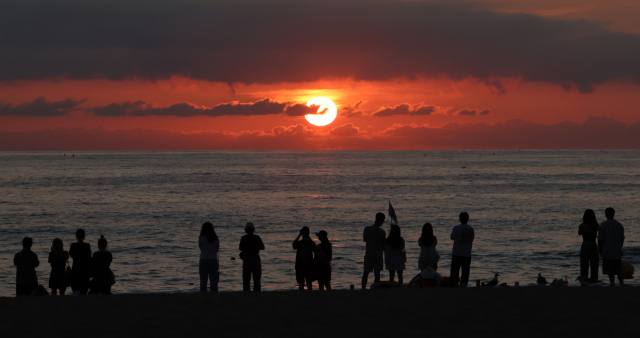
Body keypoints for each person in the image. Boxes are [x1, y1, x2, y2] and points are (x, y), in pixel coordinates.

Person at [598, 207, 625, 286]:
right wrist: (620, 247)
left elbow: (600, 240)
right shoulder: (619, 225)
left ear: (606, 215)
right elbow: (622, 239)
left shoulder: (603, 225)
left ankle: (612, 283)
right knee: (618, 269)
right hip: (617, 250)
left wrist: (600, 249)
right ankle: (621, 283)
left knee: (610, 270)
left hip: (607, 250)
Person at [362, 212, 386, 289]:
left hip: (369, 253)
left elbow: (365, 239)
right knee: (377, 274)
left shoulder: (367, 229)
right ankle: (376, 289)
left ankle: (363, 288)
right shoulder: (382, 232)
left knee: (366, 273)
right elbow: (384, 244)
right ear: (381, 220)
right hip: (378, 255)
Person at [450, 212, 475, 287]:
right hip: (467, 253)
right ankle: (464, 284)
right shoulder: (471, 229)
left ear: (459, 219)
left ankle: (454, 284)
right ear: (468, 219)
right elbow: (472, 239)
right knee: (465, 271)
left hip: (457, 253)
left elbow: (452, 237)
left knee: (455, 270)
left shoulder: (456, 228)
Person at [239, 222, 265, 292]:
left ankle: (246, 293)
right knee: (257, 278)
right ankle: (257, 293)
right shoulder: (257, 237)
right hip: (255, 258)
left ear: (245, 230)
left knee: (246, 279)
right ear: (254, 229)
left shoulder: (243, 238)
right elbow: (262, 247)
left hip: (247, 258)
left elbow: (240, 248)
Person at [578, 209, 599, 282]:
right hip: (593, 245)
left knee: (584, 265)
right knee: (594, 265)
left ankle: (584, 282)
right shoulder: (596, 225)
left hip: (585, 245)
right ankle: (594, 281)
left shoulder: (582, 226)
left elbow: (579, 233)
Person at [198, 222, 220, 292]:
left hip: (203, 259)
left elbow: (200, 248)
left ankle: (203, 296)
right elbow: (217, 248)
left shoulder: (201, 238)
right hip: (213, 259)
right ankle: (214, 296)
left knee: (203, 281)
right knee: (214, 281)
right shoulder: (215, 238)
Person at [293, 226, 316, 291]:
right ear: (308, 234)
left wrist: (299, 235)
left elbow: (294, 244)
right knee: (309, 284)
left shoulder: (299, 243)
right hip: (309, 265)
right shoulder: (311, 243)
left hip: (300, 266)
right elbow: (315, 249)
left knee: (301, 284)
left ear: (302, 234)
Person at [69, 229, 92, 295]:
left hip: (75, 270)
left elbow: (71, 254)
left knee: (75, 290)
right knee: (84, 292)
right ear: (84, 236)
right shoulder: (87, 246)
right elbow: (89, 257)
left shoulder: (73, 246)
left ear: (76, 236)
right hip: (85, 271)